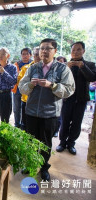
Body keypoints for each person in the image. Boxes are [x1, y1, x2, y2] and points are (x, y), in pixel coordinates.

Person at [19, 38, 75, 181]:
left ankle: (44, 168)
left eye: (48, 48)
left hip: (50, 114)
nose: (44, 51)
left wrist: (53, 85)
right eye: (42, 48)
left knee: (45, 143)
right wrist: (30, 85)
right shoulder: (32, 68)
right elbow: (22, 87)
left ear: (55, 51)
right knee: (30, 141)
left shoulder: (63, 69)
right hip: (31, 112)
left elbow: (69, 90)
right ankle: (30, 164)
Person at [56, 41, 96, 155]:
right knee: (64, 121)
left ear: (83, 51)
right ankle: (62, 142)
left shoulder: (90, 64)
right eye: (73, 50)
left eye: (79, 49)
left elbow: (92, 77)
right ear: (71, 52)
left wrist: (83, 67)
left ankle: (71, 143)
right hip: (67, 99)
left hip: (81, 99)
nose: (76, 52)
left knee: (76, 123)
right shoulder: (64, 65)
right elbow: (57, 79)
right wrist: (66, 68)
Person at [0, 47, 17, 123]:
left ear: (8, 55)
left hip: (6, 94)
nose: (0, 56)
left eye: (3, 54)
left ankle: (3, 134)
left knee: (5, 119)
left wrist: (3, 72)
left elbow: (13, 82)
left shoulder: (13, 67)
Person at [17, 47, 40, 131]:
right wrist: (30, 84)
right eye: (35, 55)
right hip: (26, 99)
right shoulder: (26, 68)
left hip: (39, 103)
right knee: (25, 123)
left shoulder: (47, 69)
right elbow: (20, 83)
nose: (37, 57)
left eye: (39, 55)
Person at [12, 48, 32, 128]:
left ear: (30, 55)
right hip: (17, 89)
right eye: (23, 54)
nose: (25, 56)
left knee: (26, 108)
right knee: (16, 108)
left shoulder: (33, 65)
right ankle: (17, 124)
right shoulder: (16, 64)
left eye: (27, 54)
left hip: (27, 90)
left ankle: (25, 125)